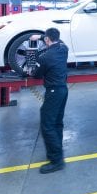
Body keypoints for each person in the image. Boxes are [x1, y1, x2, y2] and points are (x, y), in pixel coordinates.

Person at [29, 28, 70, 174]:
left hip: (53, 93)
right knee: (57, 123)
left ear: (47, 40)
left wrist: (33, 45)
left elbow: (35, 75)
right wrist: (42, 37)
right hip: (63, 91)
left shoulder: (45, 57)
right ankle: (57, 152)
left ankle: (56, 161)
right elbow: (57, 41)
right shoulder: (64, 49)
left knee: (47, 125)